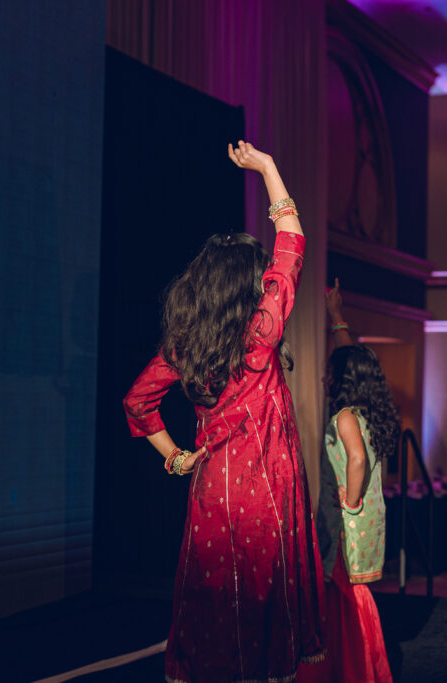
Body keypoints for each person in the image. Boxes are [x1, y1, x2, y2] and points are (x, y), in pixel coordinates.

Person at [123, 141, 324, 682]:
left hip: (215, 490)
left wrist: (175, 458)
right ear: (251, 284)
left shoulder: (185, 344)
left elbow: (138, 401)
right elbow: (291, 245)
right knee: (264, 605)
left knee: (215, 602)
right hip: (268, 490)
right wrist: (269, 168)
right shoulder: (262, 331)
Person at [300, 283, 397, 683]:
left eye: (330, 371)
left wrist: (350, 502)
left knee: (346, 596)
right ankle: (349, 669)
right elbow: (350, 358)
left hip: (346, 525)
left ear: (341, 378)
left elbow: (356, 458)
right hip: (363, 522)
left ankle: (357, 671)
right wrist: (336, 317)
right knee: (345, 596)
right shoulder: (365, 412)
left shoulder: (344, 416)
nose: (325, 376)